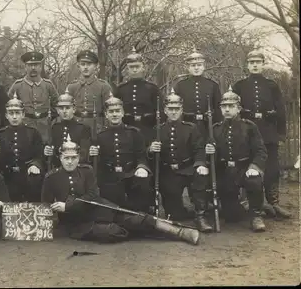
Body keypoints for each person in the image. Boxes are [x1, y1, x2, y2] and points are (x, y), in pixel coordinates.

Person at [42, 135, 200, 245]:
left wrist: (67, 205)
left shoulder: (87, 170)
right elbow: (45, 205)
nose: (70, 161)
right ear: (60, 157)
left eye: (74, 158)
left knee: (136, 218)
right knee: (113, 232)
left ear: (78, 157)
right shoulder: (51, 177)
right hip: (78, 225)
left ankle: (180, 233)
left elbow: (92, 195)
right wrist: (56, 213)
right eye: (66, 158)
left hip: (98, 208)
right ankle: (145, 231)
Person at [232, 49, 291, 219]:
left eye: (258, 62)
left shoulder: (272, 85)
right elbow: (233, 110)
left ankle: (274, 203)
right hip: (246, 135)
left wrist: (281, 133)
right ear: (247, 65)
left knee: (272, 169)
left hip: (268, 133)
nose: (255, 65)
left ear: (263, 64)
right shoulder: (240, 86)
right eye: (252, 62)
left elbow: (281, 110)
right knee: (247, 168)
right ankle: (250, 204)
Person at [148, 89, 213, 232]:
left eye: (176, 109)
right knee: (175, 215)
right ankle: (181, 210)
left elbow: (199, 149)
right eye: (170, 109)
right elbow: (148, 156)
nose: (173, 112)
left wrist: (200, 164)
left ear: (181, 110)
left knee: (200, 175)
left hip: (188, 168)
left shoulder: (191, 128)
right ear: (165, 110)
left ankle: (200, 216)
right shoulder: (157, 129)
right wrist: (151, 150)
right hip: (168, 172)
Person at [205, 87, 268, 232]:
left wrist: (254, 167)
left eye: (231, 106)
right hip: (225, 171)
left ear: (238, 108)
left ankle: (256, 215)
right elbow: (210, 157)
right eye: (224, 106)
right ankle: (243, 206)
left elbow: (260, 151)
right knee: (232, 217)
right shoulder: (215, 129)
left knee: (254, 180)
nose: (227, 109)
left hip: (244, 168)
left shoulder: (249, 126)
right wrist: (210, 152)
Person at [89, 94, 153, 214]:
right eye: (111, 112)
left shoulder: (134, 133)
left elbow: (141, 156)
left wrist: (141, 167)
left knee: (142, 188)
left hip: (130, 174)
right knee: (112, 209)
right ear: (106, 114)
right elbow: (96, 163)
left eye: (117, 111)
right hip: (109, 177)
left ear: (123, 113)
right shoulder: (99, 136)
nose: (114, 114)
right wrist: (92, 154)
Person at [0, 93, 44, 202]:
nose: (14, 117)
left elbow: (39, 155)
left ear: (23, 115)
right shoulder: (0, 134)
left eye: (17, 113)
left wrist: (35, 165)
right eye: (11, 113)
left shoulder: (33, 133)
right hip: (7, 177)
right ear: (6, 115)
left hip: (26, 175)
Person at [8, 51, 59, 143]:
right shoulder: (17, 85)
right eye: (30, 65)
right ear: (25, 67)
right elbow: (8, 106)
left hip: (44, 126)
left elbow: (57, 105)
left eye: (36, 65)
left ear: (40, 66)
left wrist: (50, 118)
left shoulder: (48, 85)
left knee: (45, 150)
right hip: (25, 125)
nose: (33, 68)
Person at [114, 48, 161, 141]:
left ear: (143, 67)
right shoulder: (121, 89)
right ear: (127, 69)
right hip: (126, 131)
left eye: (137, 66)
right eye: (131, 67)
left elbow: (160, 111)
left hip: (147, 130)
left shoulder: (152, 88)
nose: (134, 70)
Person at [174, 48, 222, 138]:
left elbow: (218, 109)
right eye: (193, 65)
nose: (196, 68)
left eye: (199, 65)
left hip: (207, 128)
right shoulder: (180, 86)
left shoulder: (213, 85)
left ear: (204, 66)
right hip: (186, 127)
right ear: (188, 68)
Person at [66, 50, 112, 133]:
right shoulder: (72, 87)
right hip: (77, 127)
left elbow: (109, 109)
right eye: (82, 64)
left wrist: (106, 129)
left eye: (89, 64)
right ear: (78, 66)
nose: (85, 67)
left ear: (95, 66)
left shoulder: (103, 86)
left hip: (97, 127)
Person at [44, 89, 92, 168]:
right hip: (58, 167)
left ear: (74, 109)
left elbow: (83, 154)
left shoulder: (83, 127)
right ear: (57, 110)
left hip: (78, 168)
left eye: (67, 108)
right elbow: (51, 152)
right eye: (61, 108)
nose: (64, 111)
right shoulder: (54, 126)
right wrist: (47, 152)